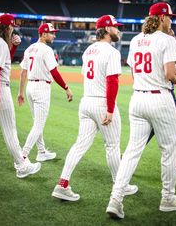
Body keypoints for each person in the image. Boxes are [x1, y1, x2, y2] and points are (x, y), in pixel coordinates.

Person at [106, 2, 176, 219]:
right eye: (169, 17)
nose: (171, 20)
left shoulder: (135, 40)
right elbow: (171, 75)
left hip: (138, 98)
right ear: (162, 18)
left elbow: (135, 72)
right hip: (160, 98)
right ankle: (168, 197)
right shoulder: (167, 39)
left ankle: (115, 199)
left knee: (133, 150)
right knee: (168, 149)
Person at [52, 15, 138, 201]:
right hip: (101, 103)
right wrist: (109, 108)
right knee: (113, 146)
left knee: (80, 145)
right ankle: (120, 185)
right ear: (107, 29)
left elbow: (88, 75)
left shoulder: (88, 50)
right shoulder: (111, 52)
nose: (118, 30)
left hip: (86, 102)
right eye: (115, 27)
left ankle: (62, 183)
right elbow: (112, 81)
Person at [0, 14, 41, 180]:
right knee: (10, 131)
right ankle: (22, 166)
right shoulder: (0, 43)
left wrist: (13, 47)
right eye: (12, 27)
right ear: (7, 27)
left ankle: (21, 165)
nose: (13, 29)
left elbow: (2, 60)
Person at [18, 23, 73, 162]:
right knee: (38, 125)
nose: (54, 35)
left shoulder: (29, 48)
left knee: (37, 122)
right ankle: (22, 158)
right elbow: (54, 72)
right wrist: (66, 88)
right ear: (43, 34)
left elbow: (23, 72)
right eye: (51, 33)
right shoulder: (46, 50)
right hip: (41, 88)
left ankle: (41, 152)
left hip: (30, 86)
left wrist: (21, 92)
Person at [146, 28, 176, 174]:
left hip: (147, 95)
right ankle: (172, 165)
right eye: (172, 34)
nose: (174, 36)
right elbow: (171, 76)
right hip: (165, 96)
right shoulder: (166, 45)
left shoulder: (153, 45)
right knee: (170, 134)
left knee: (147, 131)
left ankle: (126, 157)